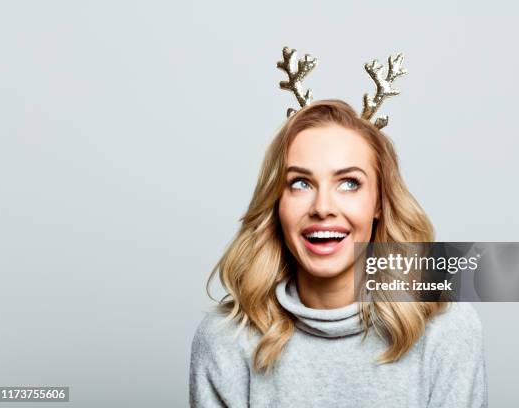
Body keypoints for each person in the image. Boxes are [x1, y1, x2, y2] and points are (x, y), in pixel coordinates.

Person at [190, 48, 487, 407]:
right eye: (300, 183)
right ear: (276, 202)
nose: (323, 208)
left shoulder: (447, 331)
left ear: (379, 202)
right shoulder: (226, 340)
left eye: (349, 183)